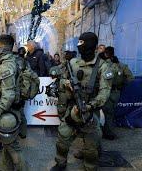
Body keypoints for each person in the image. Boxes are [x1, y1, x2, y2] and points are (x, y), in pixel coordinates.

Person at [51, 32, 113, 171]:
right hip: (72, 108)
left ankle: (90, 167)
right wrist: (66, 83)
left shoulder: (103, 67)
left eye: (82, 43)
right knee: (62, 138)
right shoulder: (73, 63)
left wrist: (90, 106)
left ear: (91, 46)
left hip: (90, 111)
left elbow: (104, 93)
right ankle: (60, 163)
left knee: (91, 147)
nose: (79, 46)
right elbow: (60, 79)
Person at [0, 35, 27, 170]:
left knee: (13, 147)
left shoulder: (6, 67)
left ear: (2, 49)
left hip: (8, 111)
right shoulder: (11, 60)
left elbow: (8, 95)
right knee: (7, 144)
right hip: (11, 109)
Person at [101, 46, 134, 140]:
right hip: (115, 92)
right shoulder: (121, 65)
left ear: (106, 54)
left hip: (104, 91)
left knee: (105, 112)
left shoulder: (103, 64)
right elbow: (130, 78)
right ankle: (107, 132)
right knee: (109, 112)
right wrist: (121, 83)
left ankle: (107, 132)